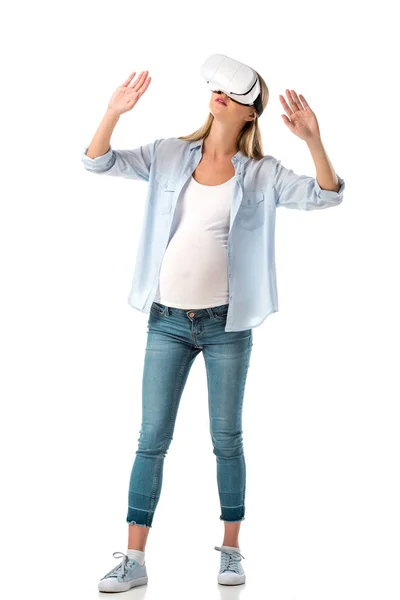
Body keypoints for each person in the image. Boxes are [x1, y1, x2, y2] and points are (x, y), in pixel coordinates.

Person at [81, 67, 345, 593]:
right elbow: (97, 161)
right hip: (167, 322)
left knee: (226, 439)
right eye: (216, 88)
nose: (218, 94)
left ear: (250, 112)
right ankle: (134, 560)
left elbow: (326, 195)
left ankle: (231, 551)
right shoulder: (169, 154)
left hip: (227, 327)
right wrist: (114, 111)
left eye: (234, 93)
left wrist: (314, 140)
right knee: (151, 439)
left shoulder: (263, 173)